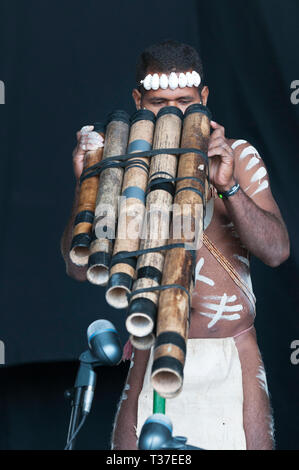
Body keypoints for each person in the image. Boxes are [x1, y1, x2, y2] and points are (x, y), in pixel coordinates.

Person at [60, 40, 290, 450]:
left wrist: (228, 188)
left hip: (231, 351)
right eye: (157, 103)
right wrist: (87, 185)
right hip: (152, 350)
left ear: (204, 98)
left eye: (184, 101)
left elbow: (276, 251)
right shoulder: (124, 164)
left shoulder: (238, 156)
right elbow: (79, 268)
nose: (172, 113)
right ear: (136, 101)